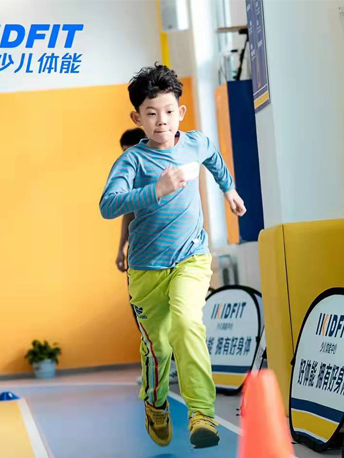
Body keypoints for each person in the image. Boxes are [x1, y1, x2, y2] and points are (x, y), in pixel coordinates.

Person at [99, 64, 246, 449]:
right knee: (159, 346)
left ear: (180, 112)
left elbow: (213, 157)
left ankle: (202, 413)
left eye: (167, 111)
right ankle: (156, 403)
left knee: (186, 323)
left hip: (191, 258)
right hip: (146, 269)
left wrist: (229, 190)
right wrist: (157, 190)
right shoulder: (132, 161)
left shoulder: (195, 143)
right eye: (151, 113)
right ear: (138, 118)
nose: (161, 120)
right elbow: (108, 205)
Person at [117, 128, 181, 387]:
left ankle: (176, 363)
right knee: (142, 311)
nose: (127, 157)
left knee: (174, 311)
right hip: (139, 256)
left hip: (167, 254)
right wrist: (120, 249)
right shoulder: (129, 177)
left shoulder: (163, 174)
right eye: (123, 153)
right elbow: (127, 213)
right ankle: (158, 365)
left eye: (130, 151)